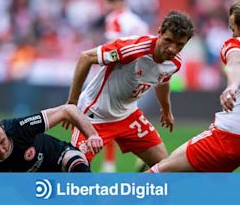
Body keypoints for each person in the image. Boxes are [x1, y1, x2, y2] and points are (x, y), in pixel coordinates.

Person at [148, 0, 240, 173]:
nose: (232, 35)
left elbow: (236, 62)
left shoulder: (239, 43)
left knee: (163, 170)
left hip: (233, 134)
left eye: (232, 30)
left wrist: (232, 86)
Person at [64, 10, 195, 170]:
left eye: (180, 45)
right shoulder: (131, 49)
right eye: (168, 40)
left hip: (128, 116)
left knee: (165, 168)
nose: (172, 49)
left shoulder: (174, 63)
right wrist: (72, 103)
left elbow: (163, 82)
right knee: (73, 171)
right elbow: (86, 58)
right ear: (159, 32)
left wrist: (166, 109)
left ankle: (136, 192)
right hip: (95, 116)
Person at [0, 104, 103, 172]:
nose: (1, 150)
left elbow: (67, 110)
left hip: (59, 157)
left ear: (4, 130)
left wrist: (92, 135)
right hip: (37, 188)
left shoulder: (19, 128)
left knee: (75, 161)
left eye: (2, 141)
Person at [101, 0, 150, 172]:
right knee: (128, 114)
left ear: (113, 1)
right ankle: (142, 155)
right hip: (140, 74)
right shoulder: (138, 21)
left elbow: (113, 48)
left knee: (108, 115)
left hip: (121, 73)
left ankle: (109, 164)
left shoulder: (113, 19)